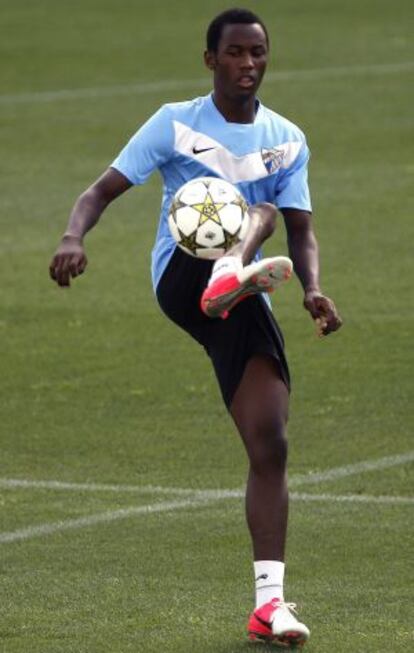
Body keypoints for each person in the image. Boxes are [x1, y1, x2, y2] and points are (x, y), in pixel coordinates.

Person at [49, 8, 342, 647]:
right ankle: (228, 272)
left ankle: (269, 606)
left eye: (258, 53)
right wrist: (73, 236)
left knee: (270, 442)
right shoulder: (174, 123)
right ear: (211, 60)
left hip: (237, 300)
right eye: (235, 53)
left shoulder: (287, 137)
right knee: (251, 206)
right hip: (183, 280)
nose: (248, 65)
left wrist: (314, 290)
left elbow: (303, 231)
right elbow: (99, 192)